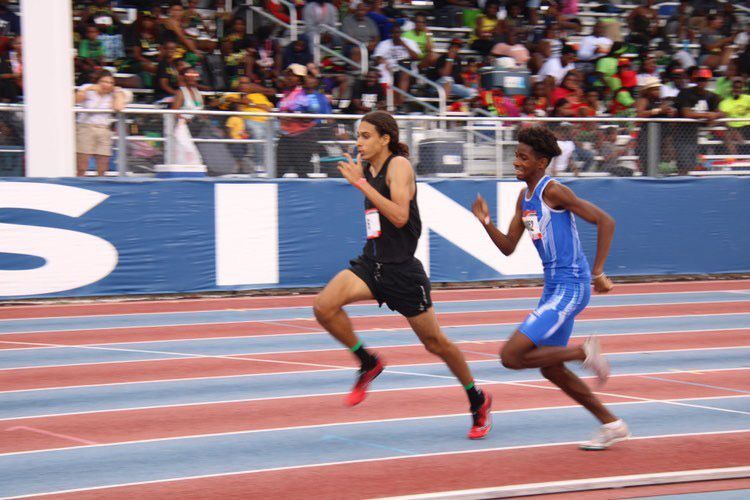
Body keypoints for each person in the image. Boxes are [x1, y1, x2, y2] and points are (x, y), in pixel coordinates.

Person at [314, 111, 493, 439]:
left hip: (402, 271)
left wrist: (361, 184)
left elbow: (398, 216)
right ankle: (368, 362)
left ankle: (477, 398)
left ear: (386, 138)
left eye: (366, 136)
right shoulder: (367, 168)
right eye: (358, 135)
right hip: (372, 264)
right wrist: (363, 180)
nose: (359, 142)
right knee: (324, 306)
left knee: (435, 343)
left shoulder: (399, 166)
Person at [470, 124, 629, 451]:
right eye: (516, 155)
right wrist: (485, 222)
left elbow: (606, 221)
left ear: (541, 162)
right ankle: (613, 425)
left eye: (523, 157)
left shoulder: (553, 191)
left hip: (570, 286)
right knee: (551, 369)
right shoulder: (523, 198)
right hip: (553, 288)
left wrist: (597, 272)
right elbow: (508, 247)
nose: (516, 161)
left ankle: (583, 351)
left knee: (511, 355)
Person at [75, 69, 128, 176]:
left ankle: (100, 180)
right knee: (82, 162)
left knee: (103, 160)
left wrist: (117, 94)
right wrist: (88, 89)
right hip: (86, 127)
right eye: (104, 82)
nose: (107, 85)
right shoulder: (87, 87)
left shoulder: (115, 93)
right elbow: (76, 100)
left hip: (103, 128)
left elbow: (118, 107)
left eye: (111, 83)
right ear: (98, 81)